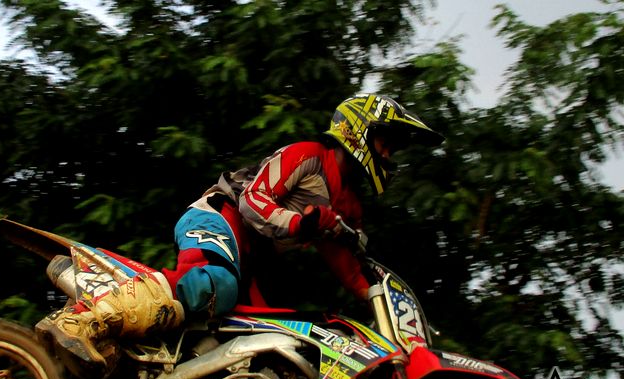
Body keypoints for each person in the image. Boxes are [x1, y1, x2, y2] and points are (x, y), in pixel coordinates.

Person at [37, 93, 444, 365]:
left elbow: (351, 270)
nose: (389, 154)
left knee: (277, 345)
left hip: (250, 260)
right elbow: (253, 200)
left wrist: (398, 318)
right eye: (386, 142)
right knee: (217, 284)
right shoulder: (308, 155)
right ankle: (84, 321)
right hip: (220, 217)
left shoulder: (349, 206)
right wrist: (302, 222)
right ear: (359, 131)